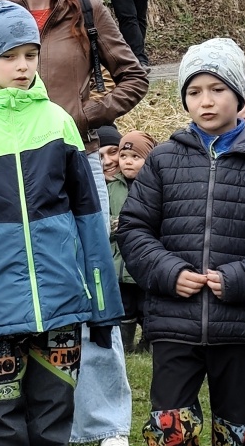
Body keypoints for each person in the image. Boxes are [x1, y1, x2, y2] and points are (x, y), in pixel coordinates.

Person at [0, 0, 147, 446]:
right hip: (10, 170)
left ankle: (106, 423)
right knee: (30, 287)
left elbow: (134, 76)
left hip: (77, 163)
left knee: (93, 283)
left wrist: (82, 116)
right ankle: (44, 413)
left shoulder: (87, 11)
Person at [0, 0, 124, 446]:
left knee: (55, 419)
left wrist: (103, 303)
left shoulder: (58, 121)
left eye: (30, 54)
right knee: (2, 424)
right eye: (9, 56)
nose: (22, 66)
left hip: (61, 300)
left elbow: (89, 219)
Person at [118, 37, 245, 446]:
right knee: (170, 430)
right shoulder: (163, 159)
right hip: (174, 323)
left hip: (243, 324)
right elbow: (134, 229)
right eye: (194, 91)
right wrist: (170, 272)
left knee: (238, 432)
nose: (205, 101)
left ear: (238, 94)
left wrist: (240, 277)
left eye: (217, 89)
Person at [110, 130, 155, 354]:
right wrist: (112, 223)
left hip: (145, 261)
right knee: (124, 305)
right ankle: (125, 344)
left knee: (147, 305)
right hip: (119, 262)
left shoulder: (153, 186)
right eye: (123, 156)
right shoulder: (111, 187)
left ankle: (148, 342)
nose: (128, 162)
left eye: (136, 157)